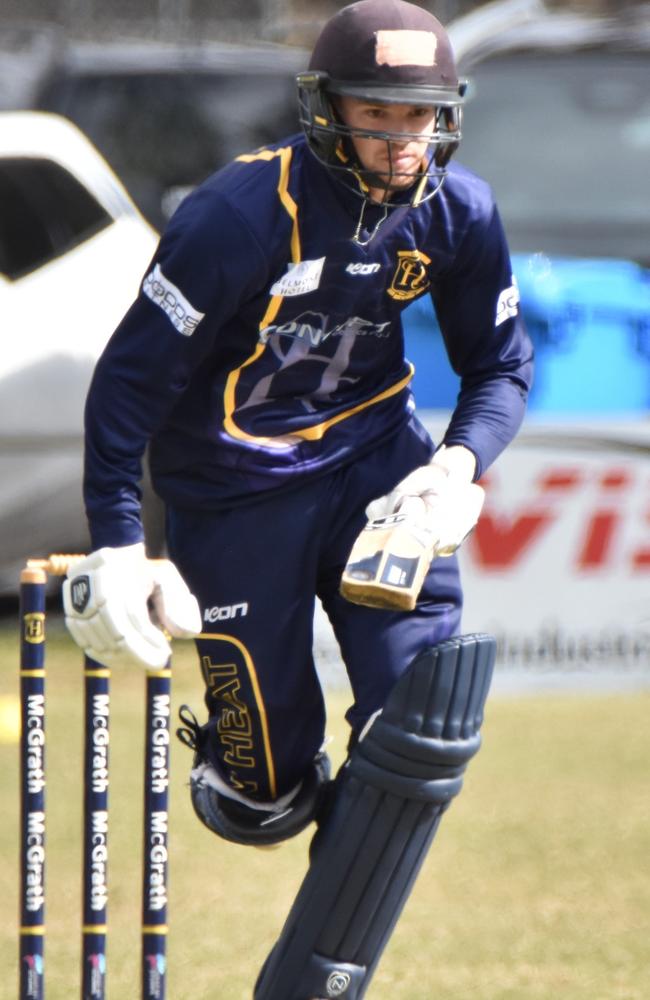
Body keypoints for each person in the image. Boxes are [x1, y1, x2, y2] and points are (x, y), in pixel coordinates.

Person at [63, 1, 533, 995]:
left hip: (375, 472)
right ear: (324, 107)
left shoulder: (460, 210)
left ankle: (317, 972)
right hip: (233, 494)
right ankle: (267, 787)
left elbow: (498, 365)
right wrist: (114, 542)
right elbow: (128, 384)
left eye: (421, 116)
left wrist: (455, 468)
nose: (401, 139)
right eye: (378, 112)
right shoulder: (233, 216)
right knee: (261, 795)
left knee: (424, 717)